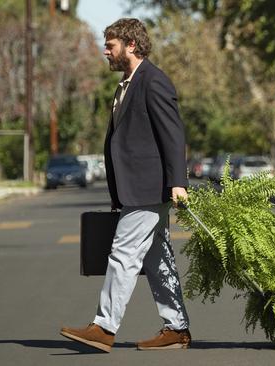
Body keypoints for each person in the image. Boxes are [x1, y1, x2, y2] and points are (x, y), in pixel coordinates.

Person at [60, 18, 191, 352]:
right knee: (156, 258)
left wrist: (178, 181)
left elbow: (173, 135)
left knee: (122, 254)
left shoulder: (153, 81)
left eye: (111, 45)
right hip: (138, 187)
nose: (105, 51)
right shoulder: (128, 82)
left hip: (149, 188)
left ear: (131, 45)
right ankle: (176, 328)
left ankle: (104, 327)